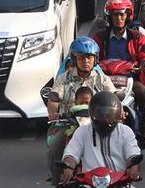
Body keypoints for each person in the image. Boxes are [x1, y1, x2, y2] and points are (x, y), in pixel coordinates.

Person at [45, 37, 117, 181]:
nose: (86, 61)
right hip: (68, 124)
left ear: (95, 59)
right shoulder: (63, 78)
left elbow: (114, 99)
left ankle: (119, 176)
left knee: (119, 141)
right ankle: (56, 178)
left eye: (89, 57)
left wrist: (119, 113)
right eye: (82, 57)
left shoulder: (102, 79)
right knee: (56, 144)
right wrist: (53, 111)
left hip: (99, 123)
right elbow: (53, 98)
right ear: (74, 59)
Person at [92, 0, 145, 148]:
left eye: (122, 14)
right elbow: (92, 52)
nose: (119, 18)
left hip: (130, 78)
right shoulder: (100, 37)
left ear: (128, 16)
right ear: (109, 17)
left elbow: (144, 53)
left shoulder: (137, 36)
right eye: (115, 15)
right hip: (105, 79)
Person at [60, 90, 144, 180]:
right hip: (89, 184)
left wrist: (134, 169)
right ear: (92, 113)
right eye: (101, 115)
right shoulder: (82, 132)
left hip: (120, 183)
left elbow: (133, 154)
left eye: (109, 115)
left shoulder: (125, 131)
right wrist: (68, 166)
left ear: (117, 114)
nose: (105, 120)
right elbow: (71, 154)